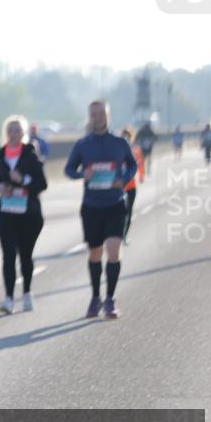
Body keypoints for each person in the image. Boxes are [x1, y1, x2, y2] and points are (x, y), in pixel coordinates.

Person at [64, 100, 137, 319]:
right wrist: (80, 175)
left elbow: (132, 165)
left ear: (108, 115)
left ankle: (110, 300)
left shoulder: (120, 143)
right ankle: (95, 297)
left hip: (114, 204)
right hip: (91, 207)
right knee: (96, 254)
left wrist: (123, 179)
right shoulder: (82, 145)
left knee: (114, 251)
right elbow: (68, 169)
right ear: (89, 117)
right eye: (93, 114)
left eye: (101, 114)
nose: (97, 118)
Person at [0, 115, 47, 314]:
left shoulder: (31, 154)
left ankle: (27, 293)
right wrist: (1, 186)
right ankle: (8, 299)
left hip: (28, 214)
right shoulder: (0, 155)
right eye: (10, 131)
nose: (13, 134)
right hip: (6, 213)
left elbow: (42, 184)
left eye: (17, 131)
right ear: (6, 133)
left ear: (23, 134)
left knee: (25, 256)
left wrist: (23, 180)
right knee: (7, 255)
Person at [120, 126, 146, 245]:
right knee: (119, 213)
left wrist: (141, 175)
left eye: (128, 136)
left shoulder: (136, 150)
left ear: (131, 138)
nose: (126, 138)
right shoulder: (116, 150)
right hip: (119, 187)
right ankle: (116, 234)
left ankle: (124, 235)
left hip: (131, 186)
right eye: (124, 136)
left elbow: (140, 164)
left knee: (129, 212)